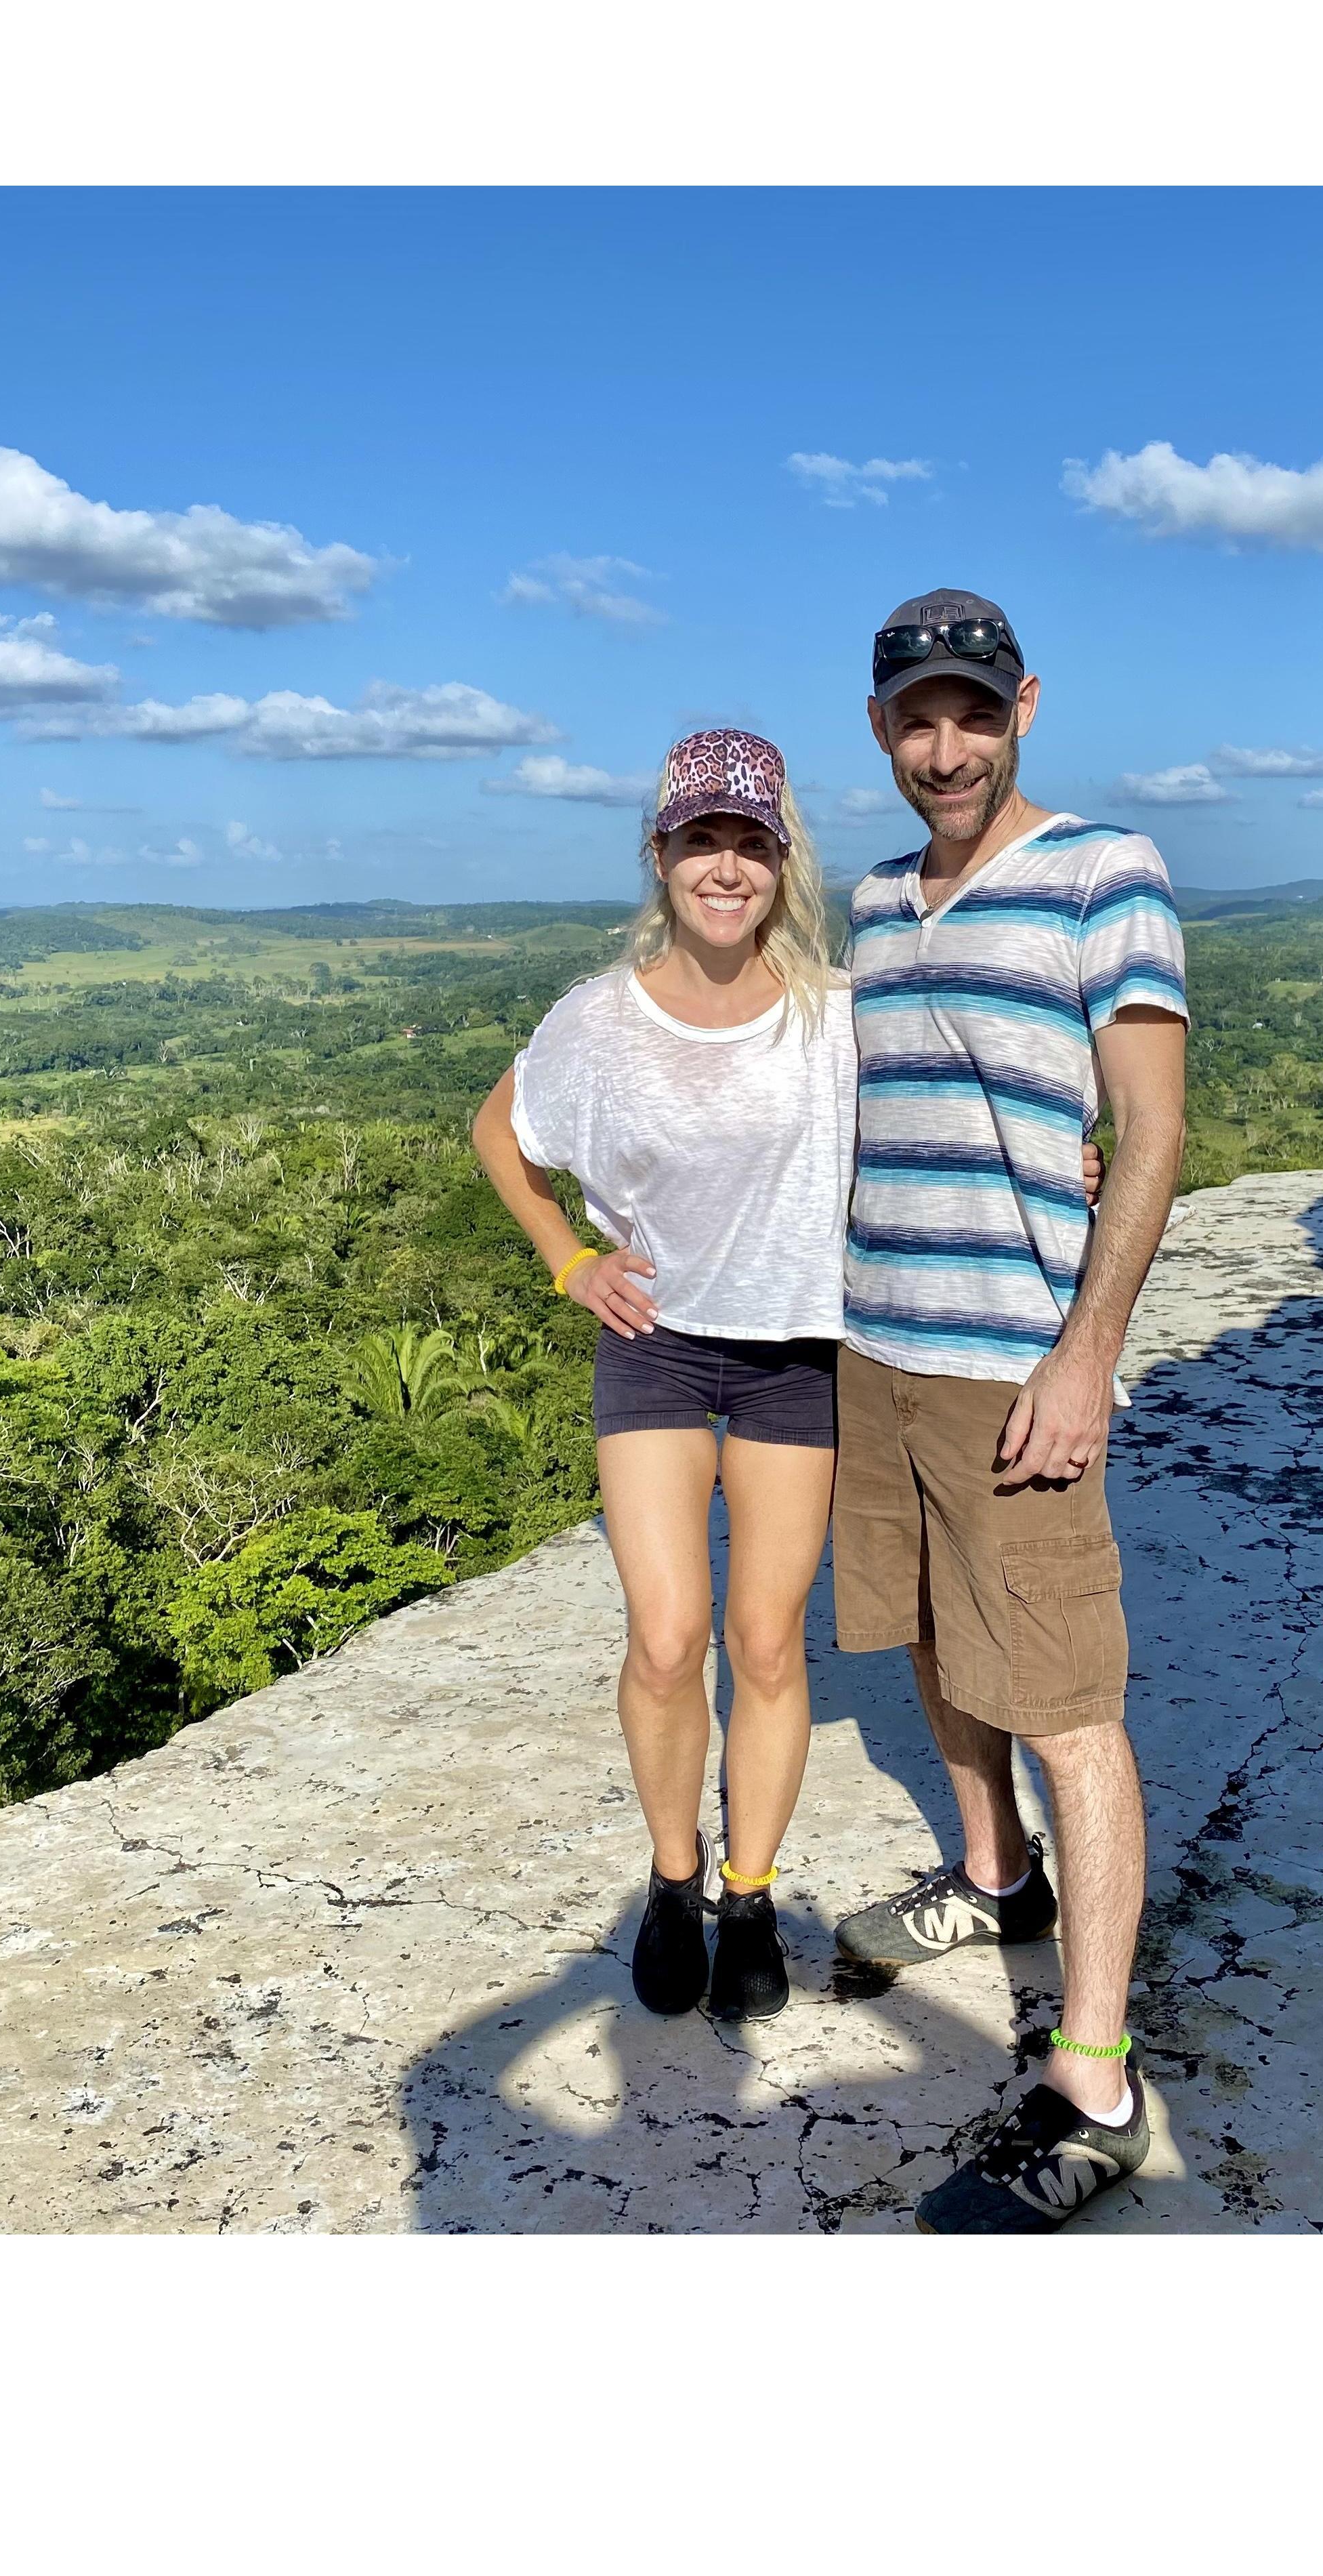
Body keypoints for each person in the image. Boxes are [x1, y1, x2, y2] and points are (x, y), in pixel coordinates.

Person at [829, 587, 1191, 2233]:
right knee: (929, 1635)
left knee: (1064, 1701)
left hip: (1015, 1362)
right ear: (881, 727)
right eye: (918, 719)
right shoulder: (871, 901)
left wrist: (1087, 1354)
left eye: (974, 715)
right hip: (879, 1347)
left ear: (1024, 708)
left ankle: (1098, 2084)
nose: (946, 747)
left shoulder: (1106, 871)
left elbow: (1151, 1130)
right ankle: (996, 1876)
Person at [471, 728, 852, 2024]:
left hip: (796, 1352)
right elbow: (499, 1130)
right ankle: (674, 1880)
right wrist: (569, 1261)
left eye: (751, 843)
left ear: (783, 862)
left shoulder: (835, 1016)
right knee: (668, 1635)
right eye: (703, 841)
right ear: (662, 853)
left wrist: (1067, 1162)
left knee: (767, 1642)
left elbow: (938, 1123)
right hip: (660, 1347)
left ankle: (751, 1895)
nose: (726, 867)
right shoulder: (599, 1018)